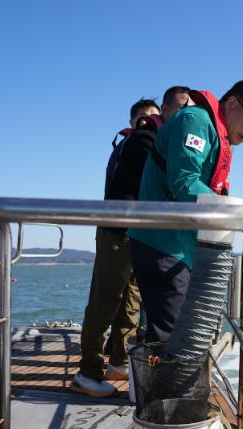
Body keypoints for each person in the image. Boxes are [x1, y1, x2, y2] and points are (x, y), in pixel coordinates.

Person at [128, 79, 243, 345]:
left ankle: (163, 371)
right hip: (161, 244)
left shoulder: (219, 135)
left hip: (180, 247)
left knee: (181, 333)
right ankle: (162, 374)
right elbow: (183, 181)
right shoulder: (195, 122)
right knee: (172, 339)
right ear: (232, 103)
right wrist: (230, 212)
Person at [72, 88, 190, 397]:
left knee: (130, 302)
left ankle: (118, 360)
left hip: (139, 233)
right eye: (144, 117)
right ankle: (88, 372)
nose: (149, 121)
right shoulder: (141, 140)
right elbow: (153, 184)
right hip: (119, 232)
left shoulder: (149, 139)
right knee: (105, 300)